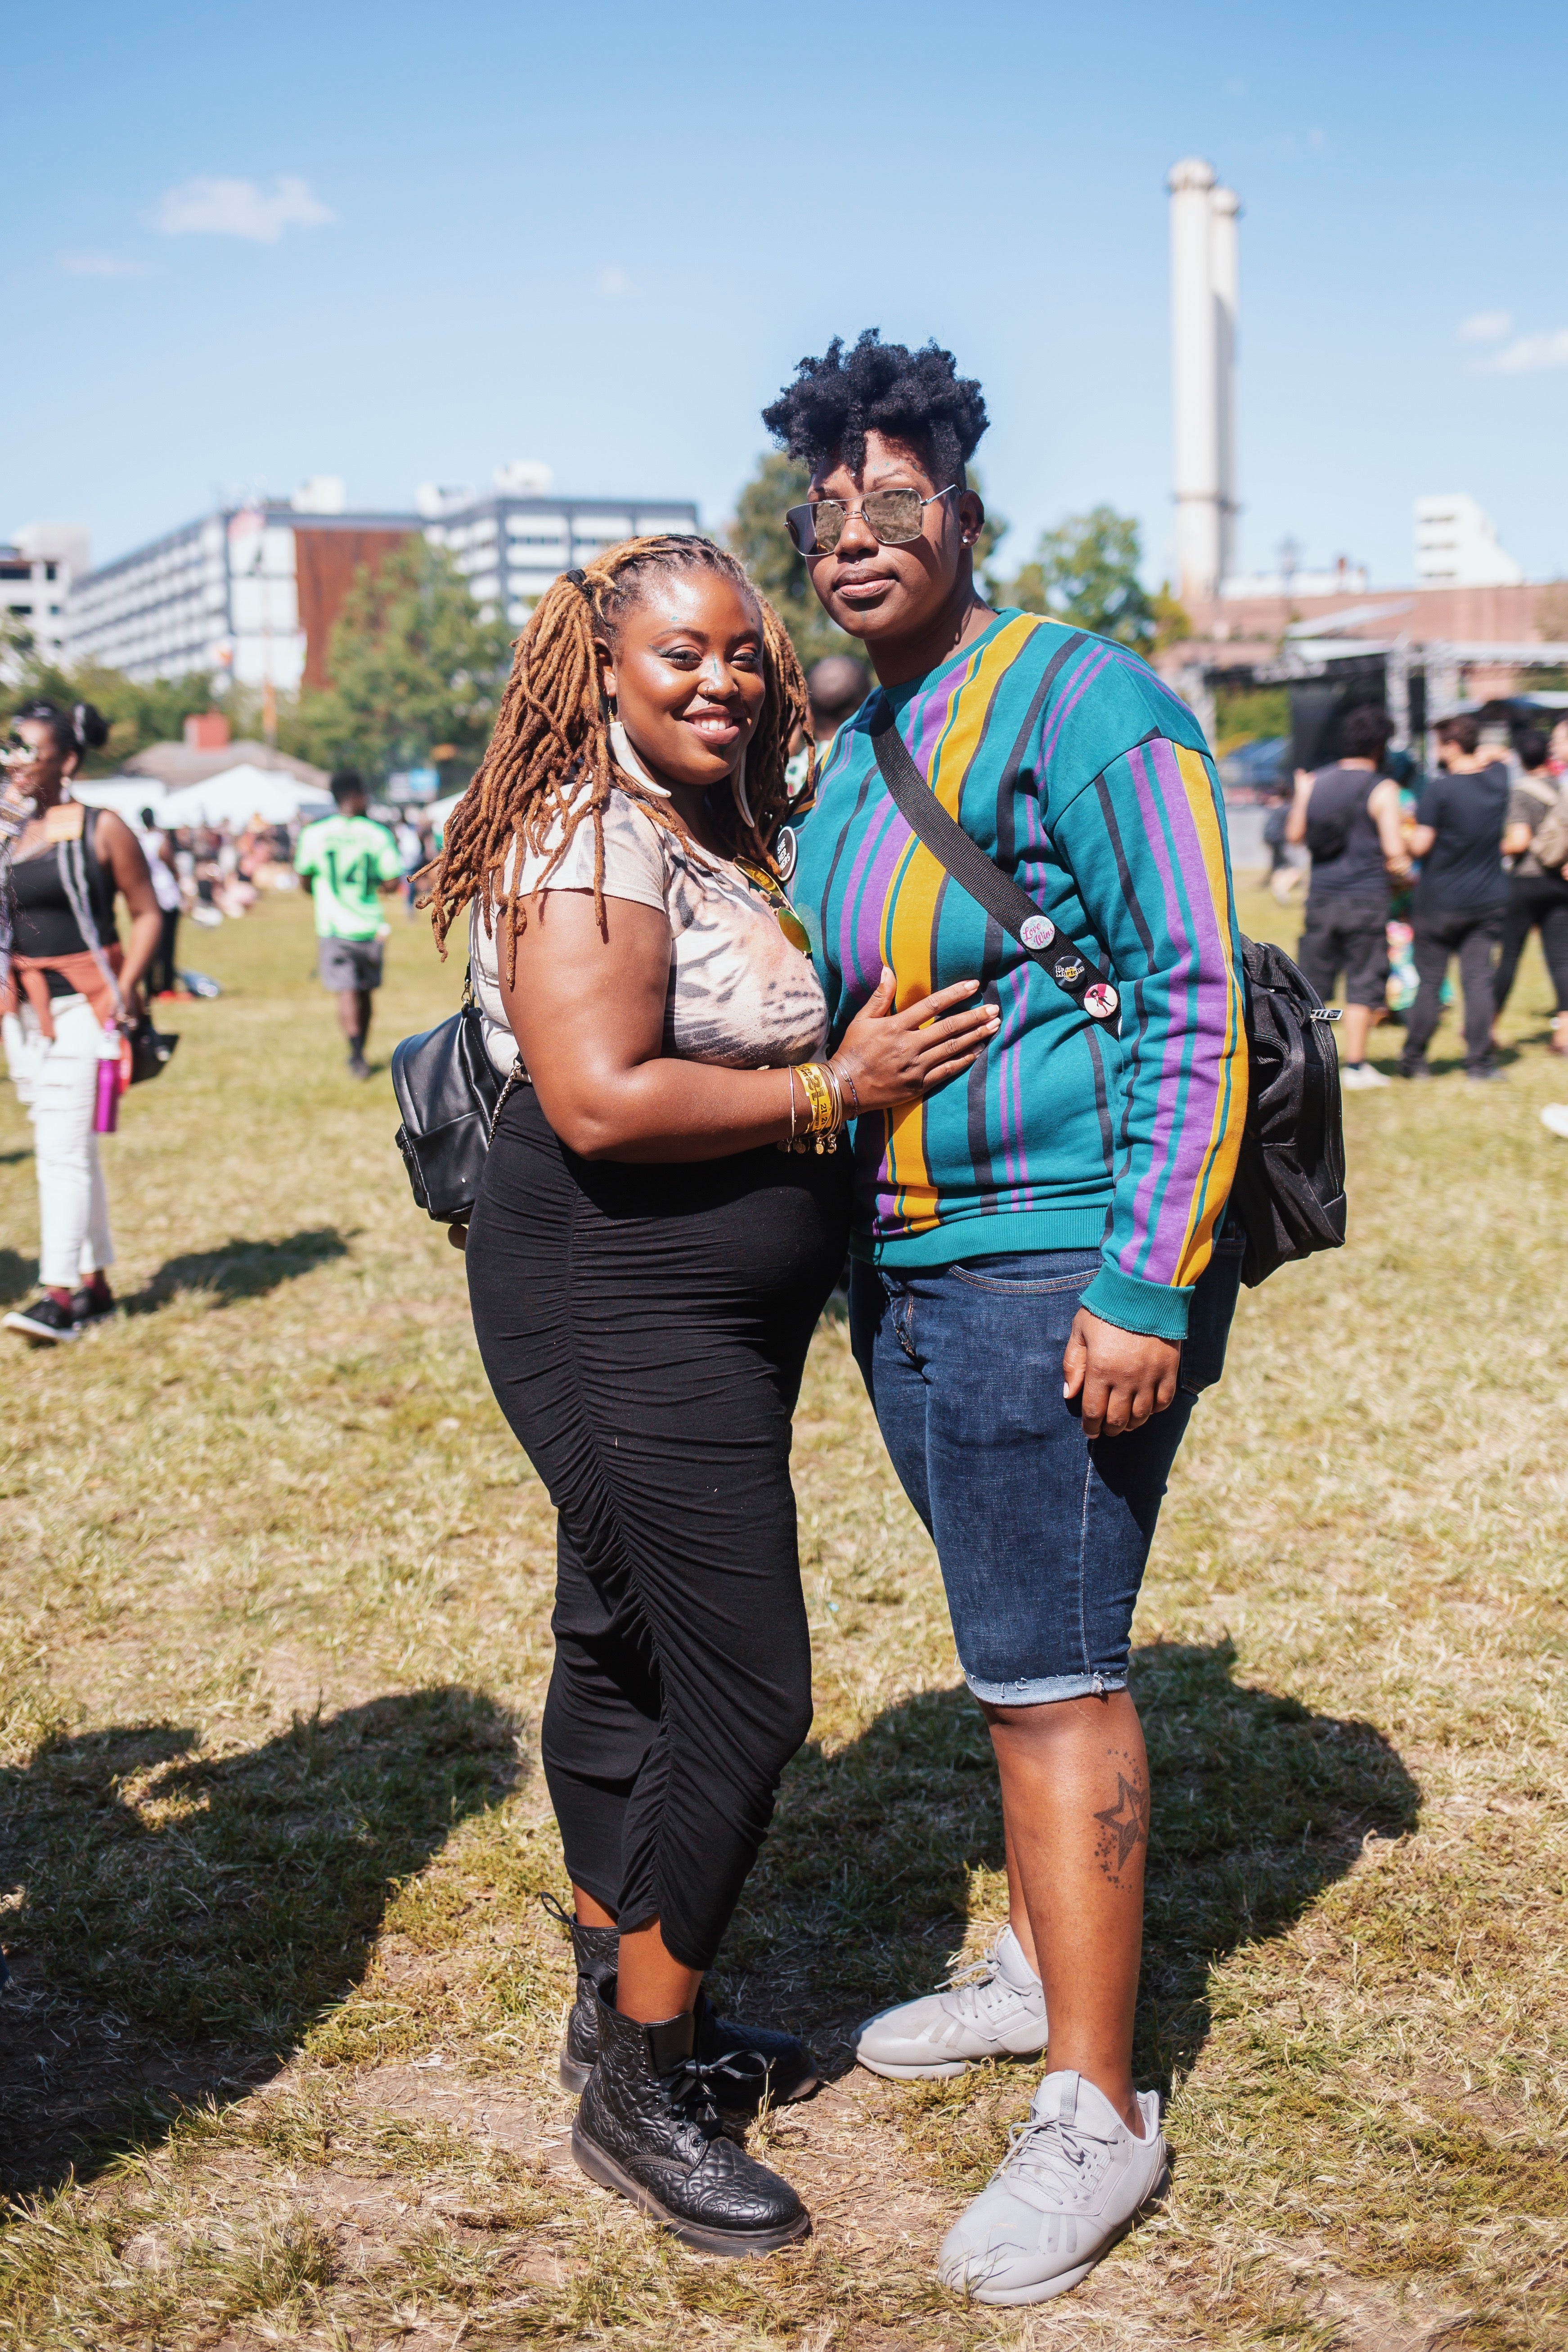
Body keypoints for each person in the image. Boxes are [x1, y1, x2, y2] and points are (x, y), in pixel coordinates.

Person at [429, 534, 994, 2257]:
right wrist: (840, 1083)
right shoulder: (583, 832)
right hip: (610, 1292)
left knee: (618, 1642)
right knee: (748, 1690)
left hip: (707, 1306)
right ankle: (642, 2079)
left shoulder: (702, 832)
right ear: (597, 668)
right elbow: (598, 1101)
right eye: (681, 654)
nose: (723, 679)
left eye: (745, 653)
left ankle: (618, 2000)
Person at [770, 331, 1249, 2307]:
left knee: (1055, 1673)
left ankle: (1097, 2102)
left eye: (901, 502)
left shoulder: (1081, 699)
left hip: (1058, 1266)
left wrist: (1145, 1277)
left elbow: (1197, 993)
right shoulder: (865, 730)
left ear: (967, 514)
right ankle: (1042, 1957)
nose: (861, 536)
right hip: (909, 1265)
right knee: (1001, 1647)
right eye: (829, 510)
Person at [0, 700, 161, 1342]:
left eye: (28, 750)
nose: (13, 761)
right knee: (65, 1140)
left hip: (86, 1006)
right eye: (8, 748)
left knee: (60, 1148)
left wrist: (127, 987)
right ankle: (95, 1284)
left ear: (66, 759)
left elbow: (148, 911)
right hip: (24, 1009)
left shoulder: (102, 826)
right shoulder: (9, 828)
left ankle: (59, 1292)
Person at [1286, 705, 1412, 1088]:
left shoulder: (1315, 782)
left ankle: (1306, 1061)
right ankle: (1355, 1065)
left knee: (1314, 984)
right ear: (1380, 745)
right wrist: (1407, 871)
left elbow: (1294, 835)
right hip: (1365, 899)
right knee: (1363, 982)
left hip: (1321, 897)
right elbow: (1393, 852)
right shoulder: (1382, 787)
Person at [1397, 714, 1510, 1081]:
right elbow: (1504, 754)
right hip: (1487, 898)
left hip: (1439, 901)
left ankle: (1414, 1061)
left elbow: (1420, 845)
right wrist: (1481, 752)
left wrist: (1404, 832)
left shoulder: (1438, 790)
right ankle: (1479, 1064)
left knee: (1430, 982)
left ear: (1450, 745)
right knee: (1478, 980)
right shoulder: (1497, 779)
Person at [293, 769, 403, 1077]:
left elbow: (303, 877)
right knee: (365, 991)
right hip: (369, 925)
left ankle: (356, 1053)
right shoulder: (376, 833)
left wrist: (322, 892)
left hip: (333, 925)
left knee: (347, 990)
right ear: (357, 795)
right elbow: (393, 881)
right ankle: (360, 1050)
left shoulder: (314, 833)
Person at [1492, 727, 1568, 1056]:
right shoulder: (1560, 788)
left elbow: (1519, 841)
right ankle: (1564, 1035)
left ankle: (1487, 1029)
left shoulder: (1520, 792)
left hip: (1525, 882)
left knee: (1508, 956)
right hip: (1558, 882)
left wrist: (1493, 847)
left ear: (1520, 758)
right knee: (1562, 961)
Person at [137, 806, 184, 997]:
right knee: (167, 943)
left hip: (148, 894)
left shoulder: (139, 842)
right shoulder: (159, 840)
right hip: (166, 894)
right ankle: (166, 986)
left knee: (150, 942)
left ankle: (150, 986)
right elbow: (170, 863)